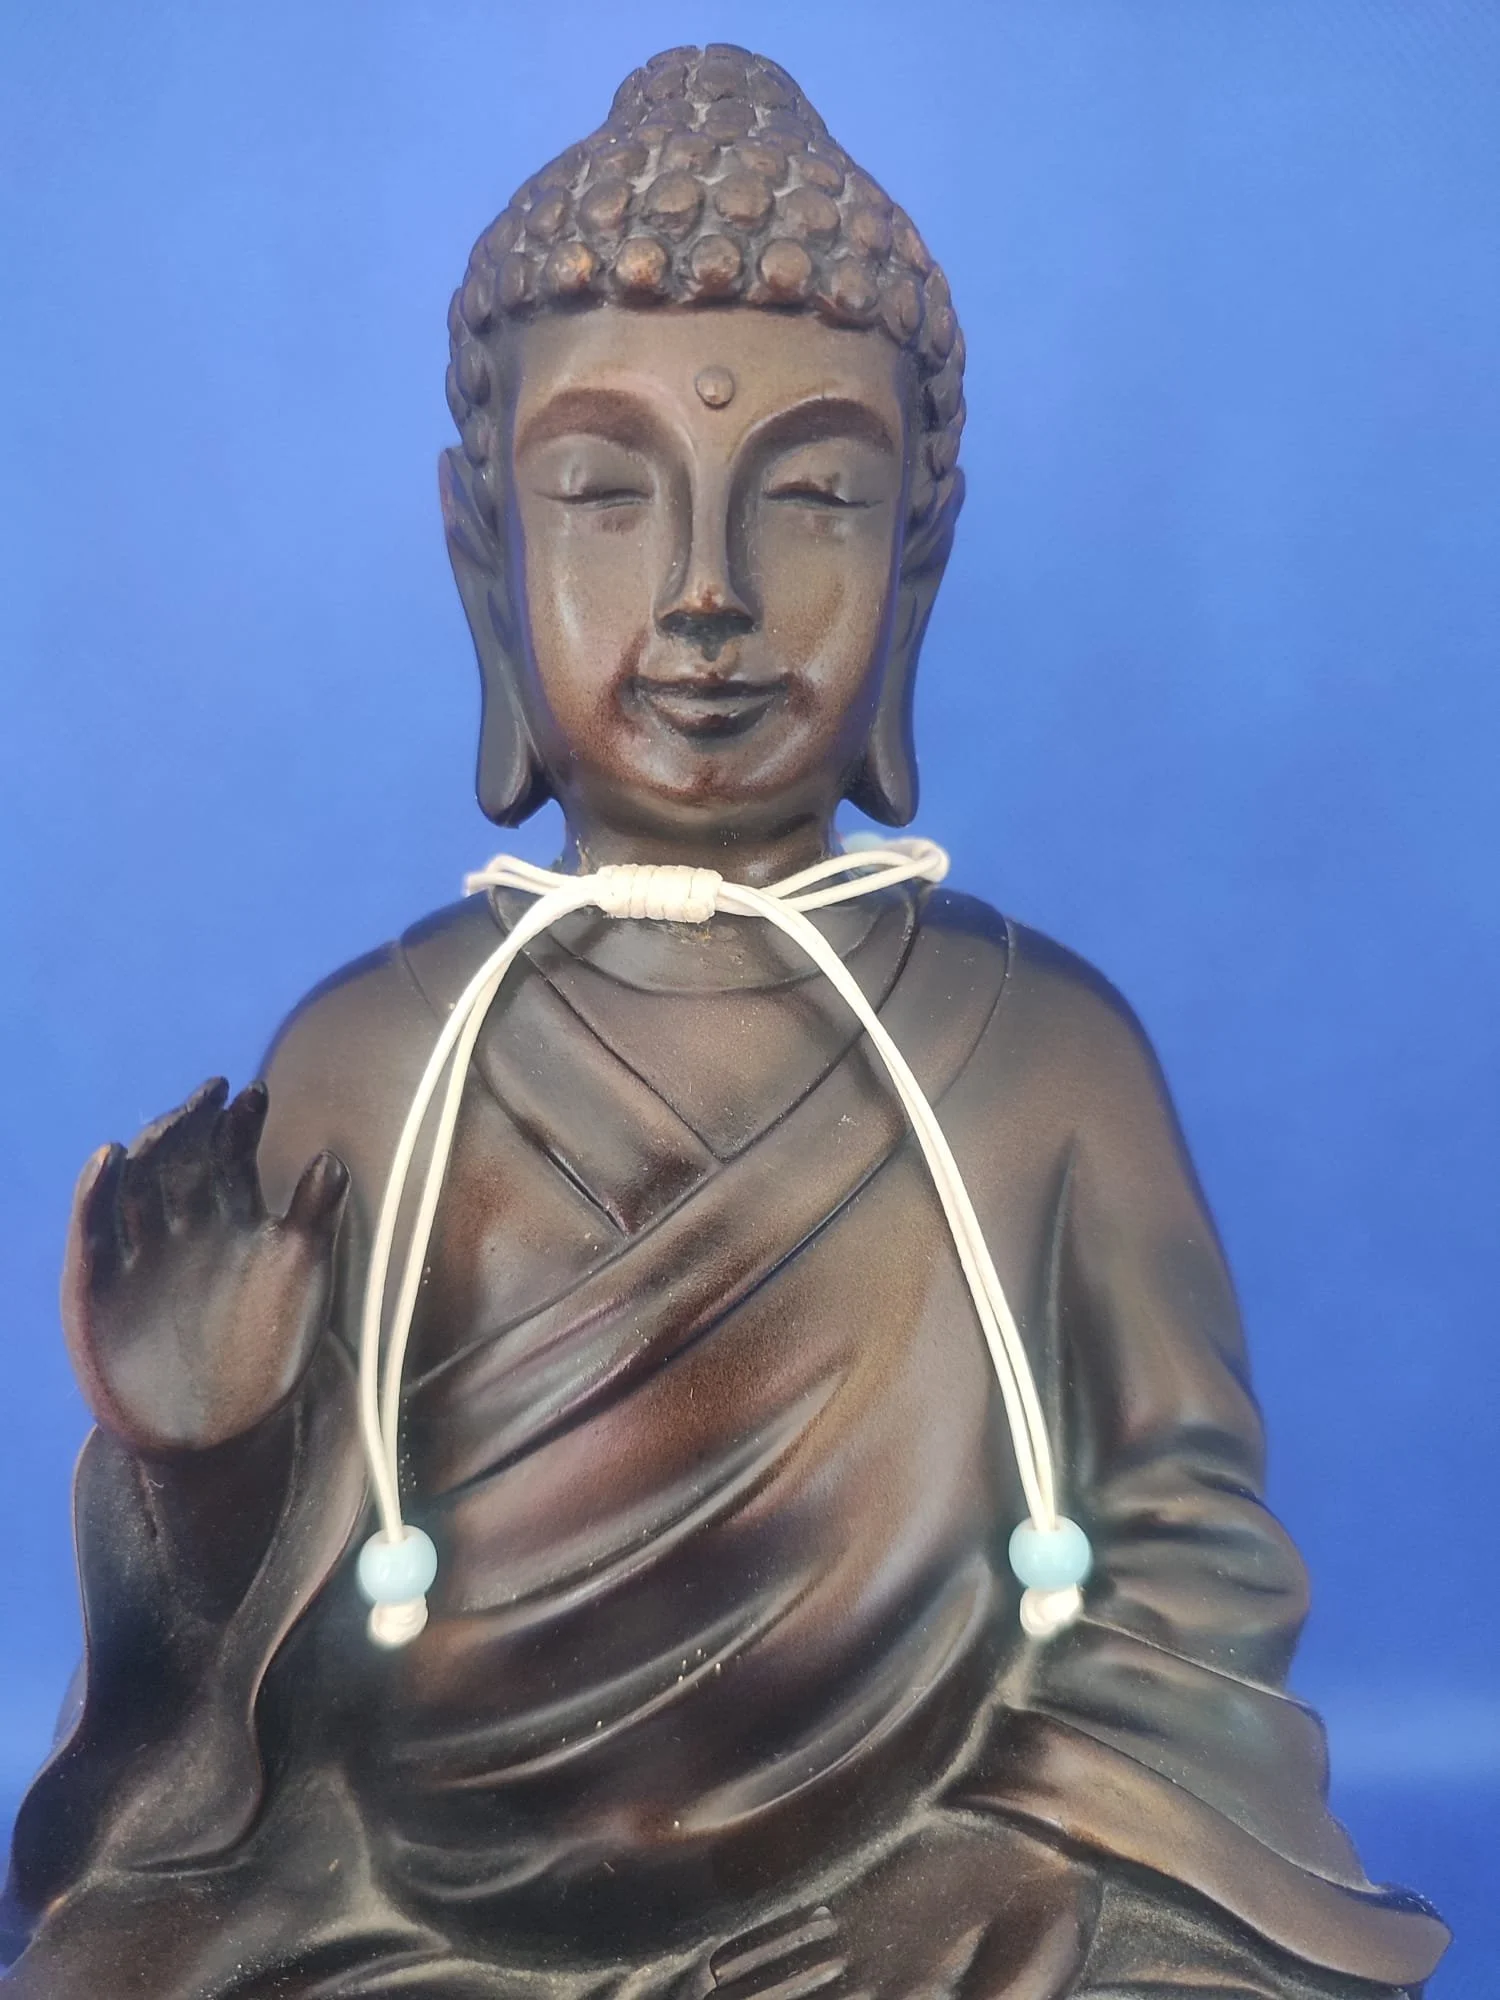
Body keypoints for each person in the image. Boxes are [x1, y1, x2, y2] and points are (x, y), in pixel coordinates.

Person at [1, 45, 1446, 2000]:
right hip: (422, 1931)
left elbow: (1188, 1562)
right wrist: (204, 1464)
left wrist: (1008, 1856)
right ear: (484, 553)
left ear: (918, 559)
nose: (705, 592)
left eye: (816, 498)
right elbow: (258, 1711)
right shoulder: (373, 1059)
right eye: (604, 494)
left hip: (937, 1917)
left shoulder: (1048, 1059)